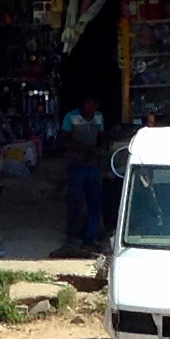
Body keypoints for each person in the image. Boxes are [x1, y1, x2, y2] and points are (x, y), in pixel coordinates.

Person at [58, 97, 113, 252]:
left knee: (94, 202)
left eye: (94, 104)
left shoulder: (98, 117)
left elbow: (102, 138)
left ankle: (90, 238)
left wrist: (100, 150)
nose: (91, 107)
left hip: (92, 164)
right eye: (89, 103)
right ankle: (72, 237)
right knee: (75, 201)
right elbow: (63, 140)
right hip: (76, 164)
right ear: (83, 103)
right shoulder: (71, 117)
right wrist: (82, 150)